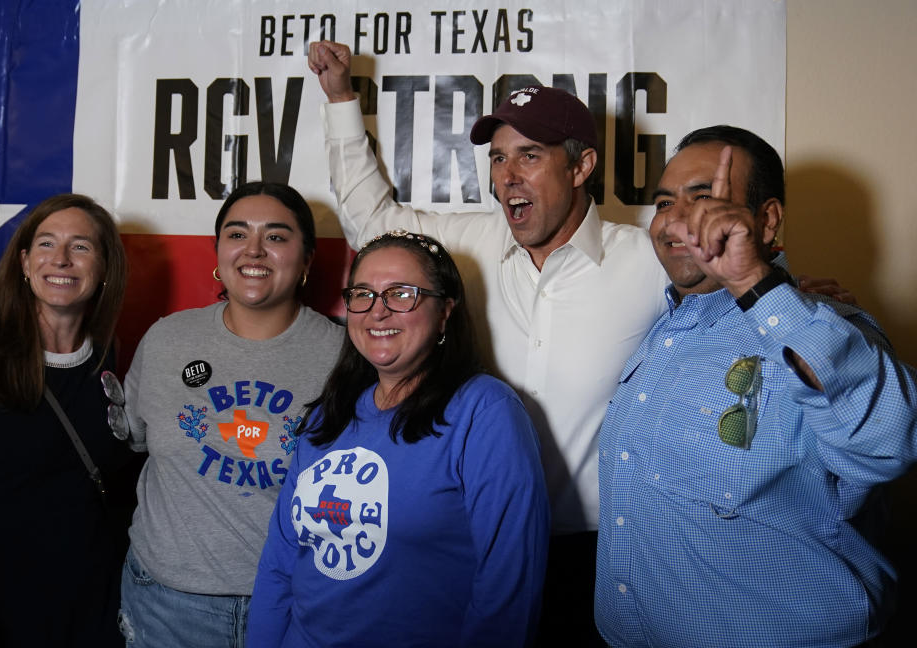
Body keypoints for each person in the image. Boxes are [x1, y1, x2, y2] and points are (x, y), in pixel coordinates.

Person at [308, 40, 667, 643]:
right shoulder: (466, 243)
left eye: (529, 155)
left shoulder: (650, 262)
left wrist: (783, 285)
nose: (507, 177)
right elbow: (372, 224)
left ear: (581, 167)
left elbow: (733, 291)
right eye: (499, 159)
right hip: (468, 540)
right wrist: (342, 98)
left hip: (600, 556)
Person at [593, 126, 917, 647]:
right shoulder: (662, 329)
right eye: (663, 202)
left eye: (705, 198)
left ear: (766, 220)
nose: (677, 218)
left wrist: (753, 283)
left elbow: (887, 444)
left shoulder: (826, 326)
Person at [246, 230, 550, 647]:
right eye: (363, 294)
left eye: (401, 294)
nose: (377, 311)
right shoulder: (325, 417)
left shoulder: (485, 412)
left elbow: (507, 588)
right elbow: (280, 564)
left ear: (445, 311)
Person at [118, 181, 343, 646]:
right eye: (237, 234)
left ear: (307, 260)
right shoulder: (166, 341)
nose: (254, 251)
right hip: (166, 605)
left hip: (296, 604)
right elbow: (136, 443)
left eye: (277, 237)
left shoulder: (346, 357)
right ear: (218, 252)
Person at [0, 193, 137, 647]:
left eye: (80, 246)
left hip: (96, 609)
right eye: (46, 244)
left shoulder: (105, 356)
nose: (60, 259)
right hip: (0, 613)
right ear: (23, 261)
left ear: (103, 269)